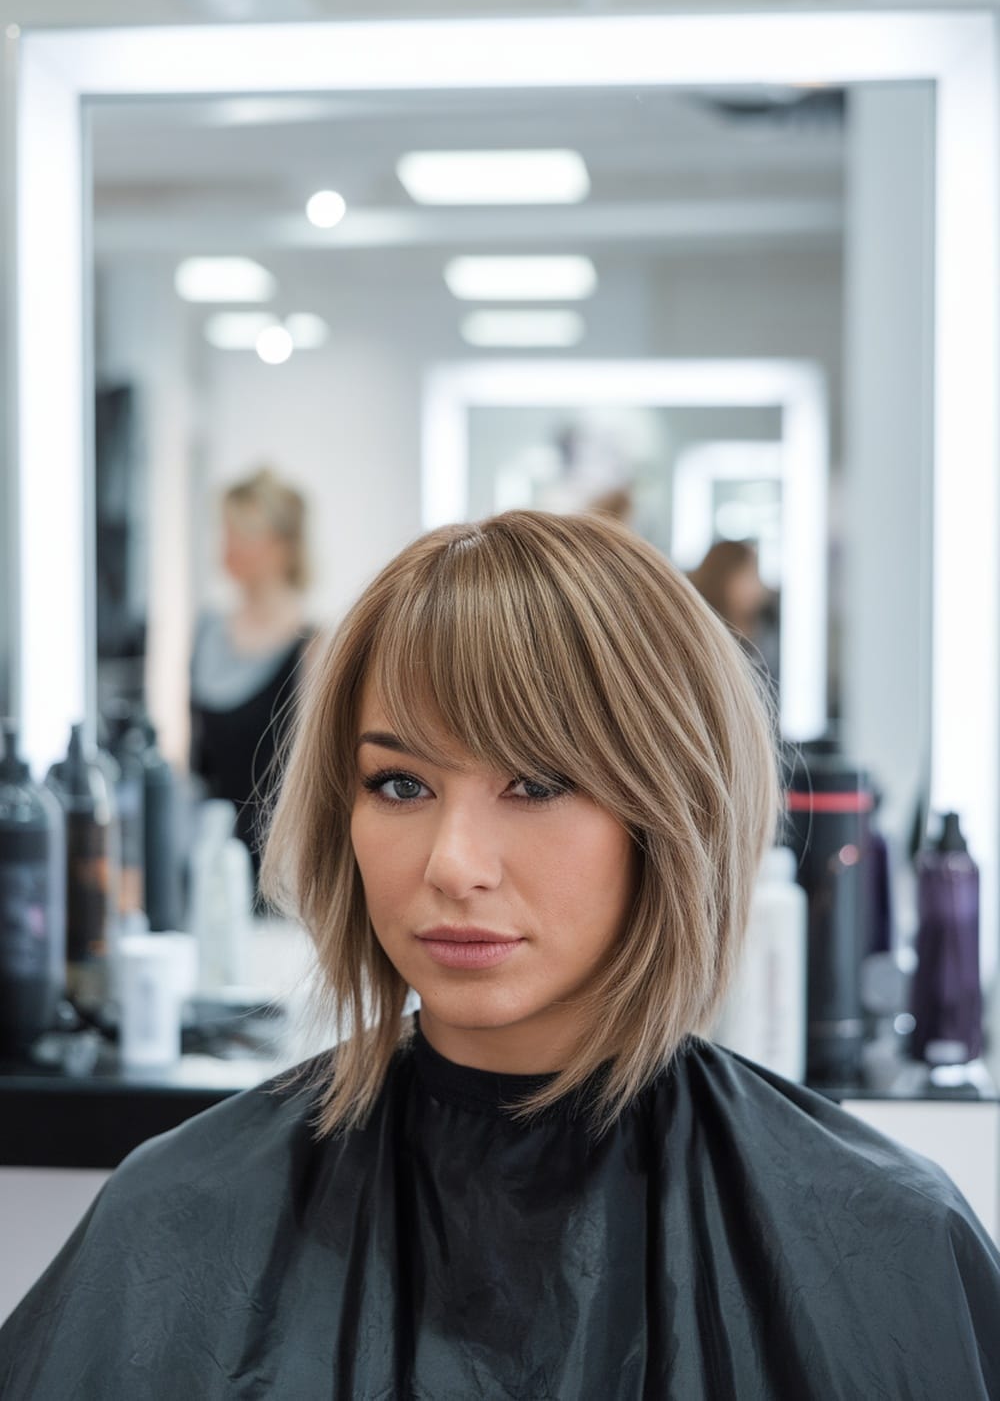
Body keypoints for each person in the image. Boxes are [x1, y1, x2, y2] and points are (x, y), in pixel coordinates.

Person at [1, 510, 998, 1399]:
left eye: (536, 782)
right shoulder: (177, 1216)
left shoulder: (881, 1238)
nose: (451, 863)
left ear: (674, 812)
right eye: (398, 784)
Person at [189, 467, 316, 883]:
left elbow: (314, 777)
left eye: (242, 533)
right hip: (208, 858)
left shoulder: (312, 648)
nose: (227, 546)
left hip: (278, 870)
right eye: (225, 531)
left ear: (281, 546)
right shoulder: (206, 632)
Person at [688, 536, 780, 689]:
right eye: (748, 575)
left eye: (755, 575)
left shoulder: (768, 629)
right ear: (723, 579)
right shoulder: (704, 639)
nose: (757, 586)